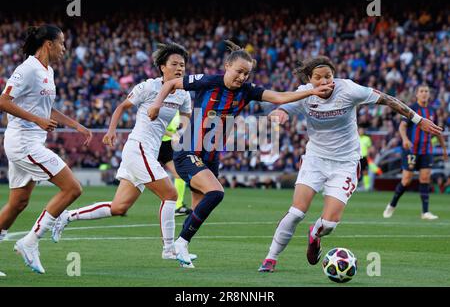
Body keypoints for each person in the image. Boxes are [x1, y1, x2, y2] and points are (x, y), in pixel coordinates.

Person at [147, 40, 335, 268]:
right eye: (239, 71)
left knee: (199, 205)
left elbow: (278, 97)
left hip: (211, 156)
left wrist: (311, 92)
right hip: (188, 149)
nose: (242, 77)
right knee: (216, 193)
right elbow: (171, 84)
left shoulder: (247, 91)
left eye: (246, 73)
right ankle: (180, 243)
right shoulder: (209, 81)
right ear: (227, 66)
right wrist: (157, 104)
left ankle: (180, 249)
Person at [258, 56, 443, 272]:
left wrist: (418, 120)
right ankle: (270, 258)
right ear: (310, 79)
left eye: (328, 76)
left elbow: (387, 99)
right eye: (318, 78)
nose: (324, 81)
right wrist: (280, 114)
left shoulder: (349, 90)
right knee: (296, 212)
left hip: (345, 163)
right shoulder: (304, 93)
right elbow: (283, 109)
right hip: (315, 160)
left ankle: (315, 234)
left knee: (329, 224)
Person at [51, 42, 196, 261]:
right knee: (170, 194)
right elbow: (121, 107)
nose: (179, 68)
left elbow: (186, 118)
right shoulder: (148, 87)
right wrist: (110, 131)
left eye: (183, 65)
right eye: (174, 64)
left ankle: (67, 216)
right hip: (138, 148)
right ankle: (169, 249)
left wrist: (181, 132)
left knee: (119, 207)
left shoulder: (183, 94)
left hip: (148, 151)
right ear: (162, 67)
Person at [0, 24, 93, 274]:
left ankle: (28, 242)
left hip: (31, 141)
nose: (64, 48)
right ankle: (30, 242)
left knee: (18, 203)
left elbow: (45, 108)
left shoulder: (47, 71)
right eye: (61, 43)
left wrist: (76, 125)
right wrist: (36, 120)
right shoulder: (27, 69)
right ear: (48, 44)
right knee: (73, 188)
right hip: (23, 142)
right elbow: (3, 101)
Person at [383, 85, 448, 220]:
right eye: (422, 91)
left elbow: (437, 131)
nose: (424, 94)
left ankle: (425, 212)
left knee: (425, 179)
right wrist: (405, 139)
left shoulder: (432, 111)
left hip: (426, 150)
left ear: (429, 95)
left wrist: (443, 149)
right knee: (406, 180)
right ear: (417, 94)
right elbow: (402, 126)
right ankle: (392, 204)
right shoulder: (412, 110)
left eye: (426, 91)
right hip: (411, 150)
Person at [157, 110, 192, 216]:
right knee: (139, 175)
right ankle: (121, 203)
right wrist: (173, 135)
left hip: (166, 145)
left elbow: (173, 128)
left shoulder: (176, 109)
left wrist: (176, 135)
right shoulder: (164, 106)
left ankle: (177, 206)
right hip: (154, 142)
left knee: (179, 174)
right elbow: (156, 126)